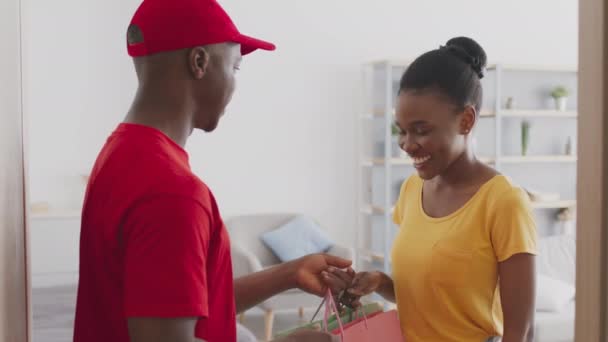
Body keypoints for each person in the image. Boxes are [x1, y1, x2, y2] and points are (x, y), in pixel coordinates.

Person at [72, 1, 350, 341]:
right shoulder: (173, 192)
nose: (234, 85)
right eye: (235, 68)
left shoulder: (120, 153)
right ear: (199, 62)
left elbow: (174, 305)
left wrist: (290, 273)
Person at [331, 37, 537, 342]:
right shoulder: (412, 189)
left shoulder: (504, 201)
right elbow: (426, 297)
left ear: (466, 120)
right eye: (401, 130)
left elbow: (521, 333)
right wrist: (380, 282)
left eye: (421, 130)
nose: (406, 144)